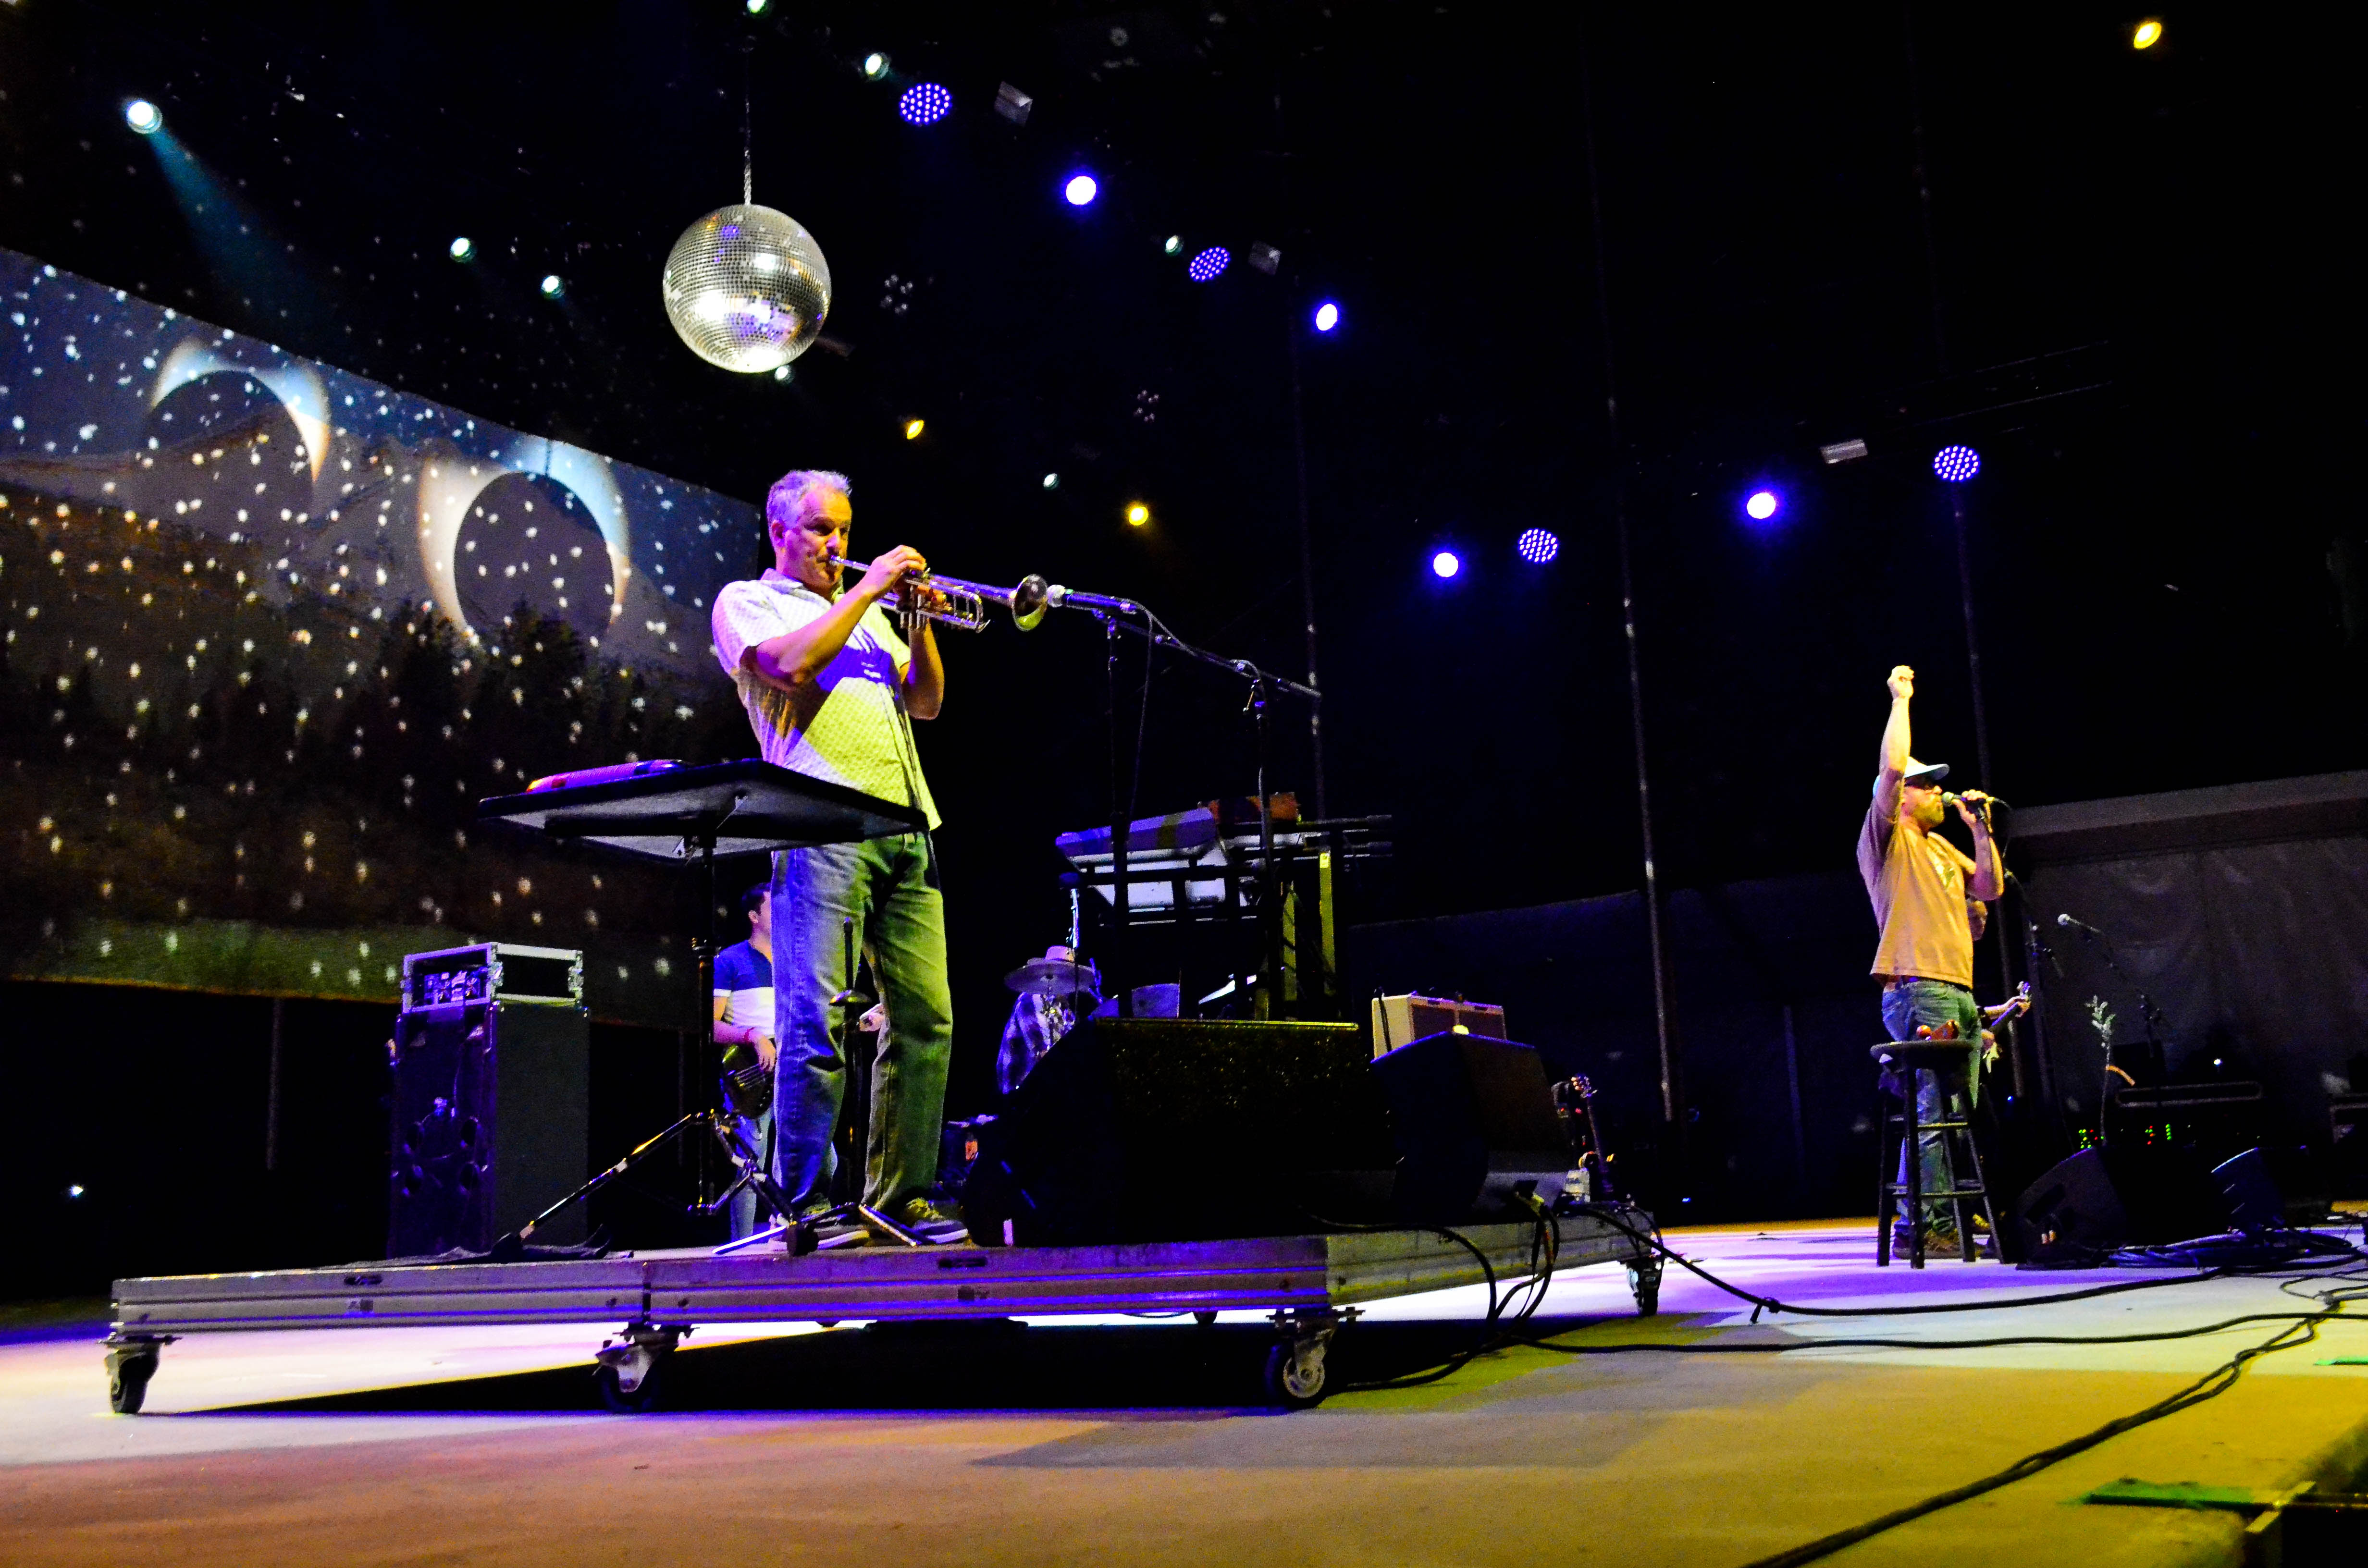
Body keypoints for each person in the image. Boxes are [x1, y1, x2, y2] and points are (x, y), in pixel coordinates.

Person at [709, 469, 964, 1244]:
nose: (837, 545)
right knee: (815, 1020)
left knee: (927, 1020)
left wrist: (914, 620)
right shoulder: (745, 601)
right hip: (820, 826)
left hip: (906, 825)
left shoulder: (868, 616)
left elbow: (924, 701)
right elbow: (786, 667)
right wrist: (869, 591)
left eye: (845, 530)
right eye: (821, 529)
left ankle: (900, 1194)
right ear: (779, 530)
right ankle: (806, 1204)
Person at [1858, 663, 2002, 1251]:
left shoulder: (1942, 844)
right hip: (1918, 988)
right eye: (1929, 785)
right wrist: (1900, 698)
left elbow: (1990, 888)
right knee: (1931, 1112)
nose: (1939, 790)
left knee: (1950, 1115)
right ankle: (1923, 1226)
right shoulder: (1887, 837)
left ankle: (1940, 1215)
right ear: (1902, 797)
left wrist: (1979, 829)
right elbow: (1891, 768)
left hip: (1958, 991)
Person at [712, 883, 778, 1241]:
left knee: (818, 1157)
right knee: (751, 1164)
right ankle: (741, 1247)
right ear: (754, 917)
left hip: (791, 1071)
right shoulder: (730, 960)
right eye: (773, 908)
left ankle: (793, 1230)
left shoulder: (792, 961)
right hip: (751, 1074)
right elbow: (711, 1026)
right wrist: (754, 1035)